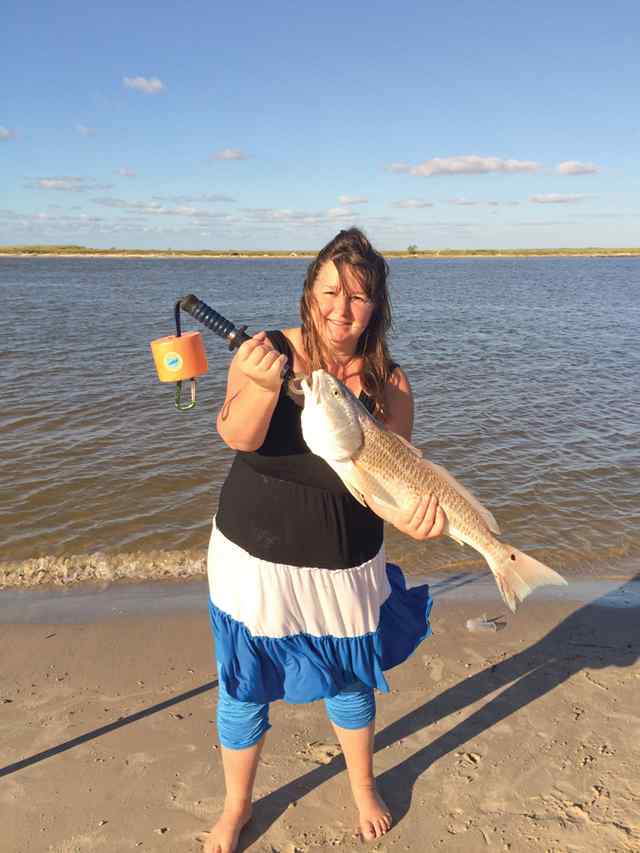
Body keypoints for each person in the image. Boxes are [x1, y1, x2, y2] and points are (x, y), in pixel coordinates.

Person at [203, 228, 445, 853]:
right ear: (309, 291)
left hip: (346, 563)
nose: (341, 309)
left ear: (377, 307)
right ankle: (236, 807)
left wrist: (415, 516)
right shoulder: (265, 352)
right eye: (330, 291)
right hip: (255, 558)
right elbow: (237, 437)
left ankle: (361, 784)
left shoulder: (390, 382)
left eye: (359, 297)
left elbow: (396, 475)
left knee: (351, 681)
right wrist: (258, 386)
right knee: (244, 683)